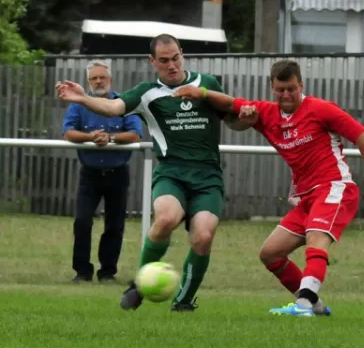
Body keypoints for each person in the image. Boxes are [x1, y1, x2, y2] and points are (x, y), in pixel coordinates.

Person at [172, 59, 364, 317]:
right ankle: (314, 306)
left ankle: (304, 305)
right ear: (272, 88)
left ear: (301, 85)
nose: (286, 95)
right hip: (306, 197)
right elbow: (230, 104)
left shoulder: (320, 109)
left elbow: (363, 136)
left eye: (292, 89)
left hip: (334, 188)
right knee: (270, 254)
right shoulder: (267, 113)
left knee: (316, 238)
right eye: (280, 89)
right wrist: (202, 93)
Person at [56, 34, 245, 312]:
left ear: (182, 53)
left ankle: (184, 301)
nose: (172, 65)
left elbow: (233, 121)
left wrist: (247, 118)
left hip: (207, 177)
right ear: (152, 62)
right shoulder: (147, 92)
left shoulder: (207, 84)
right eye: (164, 61)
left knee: (203, 237)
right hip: (172, 173)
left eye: (176, 58)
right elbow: (114, 107)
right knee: (166, 218)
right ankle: (138, 285)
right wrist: (83, 99)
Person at [62, 59, 144, 283]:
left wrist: (111, 138)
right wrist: (91, 137)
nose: (98, 82)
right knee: (82, 221)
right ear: (88, 82)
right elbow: (68, 132)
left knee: (114, 225)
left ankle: (108, 272)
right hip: (90, 173)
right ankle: (82, 272)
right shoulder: (79, 104)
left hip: (118, 173)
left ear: (111, 80)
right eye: (94, 78)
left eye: (102, 77)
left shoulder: (124, 103)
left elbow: (135, 134)